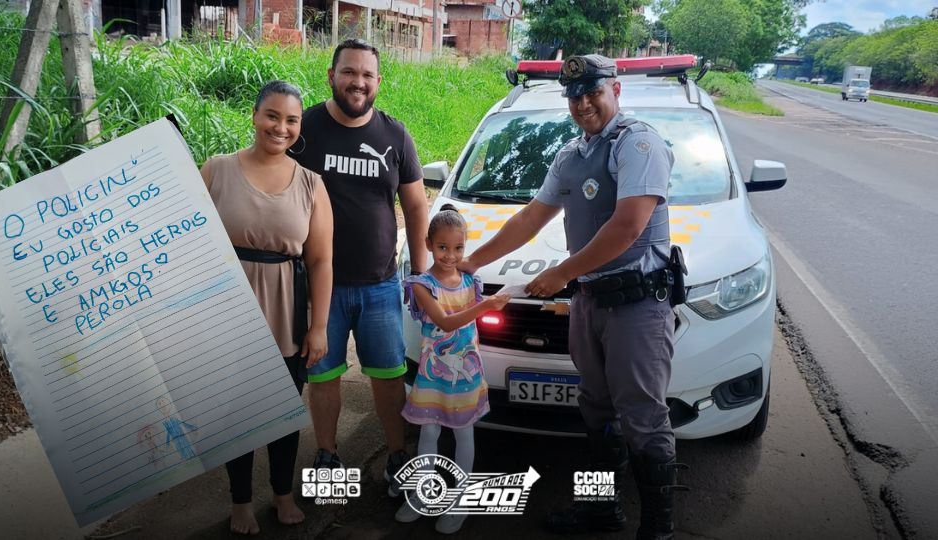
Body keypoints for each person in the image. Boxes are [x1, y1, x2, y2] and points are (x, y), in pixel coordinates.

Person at [459, 54, 685, 539]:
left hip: (637, 305)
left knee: (643, 418)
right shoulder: (572, 154)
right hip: (589, 302)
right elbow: (529, 218)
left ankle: (658, 531)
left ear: (615, 90)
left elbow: (626, 228)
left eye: (593, 93)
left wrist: (561, 273)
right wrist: (473, 261)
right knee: (596, 412)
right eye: (575, 97)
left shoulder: (639, 143)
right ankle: (601, 510)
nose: (583, 104)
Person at [290, 38, 429, 495]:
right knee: (323, 376)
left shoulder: (395, 135)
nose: (358, 82)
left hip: (380, 286)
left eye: (367, 75)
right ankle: (328, 457)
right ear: (331, 75)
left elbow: (414, 205)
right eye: (349, 72)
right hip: (319, 288)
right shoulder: (303, 128)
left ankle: (396, 456)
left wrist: (421, 273)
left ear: (378, 82)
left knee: (389, 377)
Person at [200, 80, 334, 535]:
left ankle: (281, 493)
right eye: (272, 116)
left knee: (282, 410)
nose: (281, 127)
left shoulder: (312, 184)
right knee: (234, 412)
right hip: (227, 311)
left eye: (291, 120)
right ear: (255, 116)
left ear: (299, 126)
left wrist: (319, 327)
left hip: (287, 311)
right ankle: (239, 501)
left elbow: (320, 261)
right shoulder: (215, 170)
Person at [393, 204, 510, 534]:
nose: (450, 255)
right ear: (428, 244)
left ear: (465, 246)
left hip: (466, 374)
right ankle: (421, 495)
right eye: (442, 247)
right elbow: (444, 322)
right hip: (433, 374)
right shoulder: (421, 285)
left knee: (464, 432)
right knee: (429, 431)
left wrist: (485, 303)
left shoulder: (472, 282)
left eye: (458, 248)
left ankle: (460, 499)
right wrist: (485, 306)